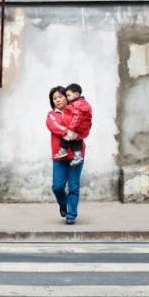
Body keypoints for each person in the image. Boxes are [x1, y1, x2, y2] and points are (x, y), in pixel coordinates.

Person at [46, 85, 89, 225]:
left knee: (74, 186)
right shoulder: (52, 115)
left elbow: (86, 125)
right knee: (57, 187)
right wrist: (68, 132)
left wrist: (79, 132)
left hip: (76, 155)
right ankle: (63, 204)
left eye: (60, 97)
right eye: (54, 99)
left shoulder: (77, 111)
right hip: (59, 156)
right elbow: (53, 126)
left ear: (67, 97)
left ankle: (71, 214)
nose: (57, 100)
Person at [58, 83, 93, 167]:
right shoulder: (83, 103)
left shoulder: (77, 104)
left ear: (77, 94)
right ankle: (78, 156)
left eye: (69, 95)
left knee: (65, 137)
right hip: (82, 129)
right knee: (76, 141)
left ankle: (62, 151)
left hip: (76, 128)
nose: (67, 97)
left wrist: (70, 129)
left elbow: (77, 117)